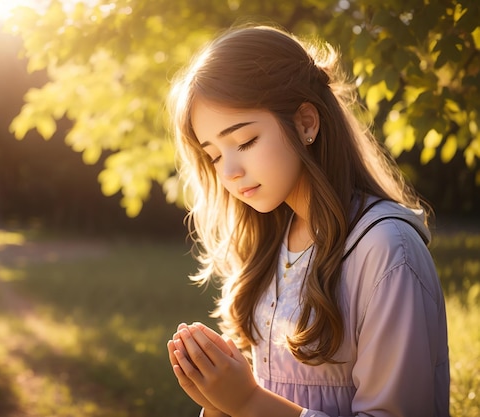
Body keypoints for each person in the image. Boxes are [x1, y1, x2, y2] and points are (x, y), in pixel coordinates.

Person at [165, 24, 450, 417]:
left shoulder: (387, 250)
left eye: (244, 141)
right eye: (213, 155)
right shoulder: (273, 242)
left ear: (306, 123)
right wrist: (220, 402)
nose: (228, 170)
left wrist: (248, 401)